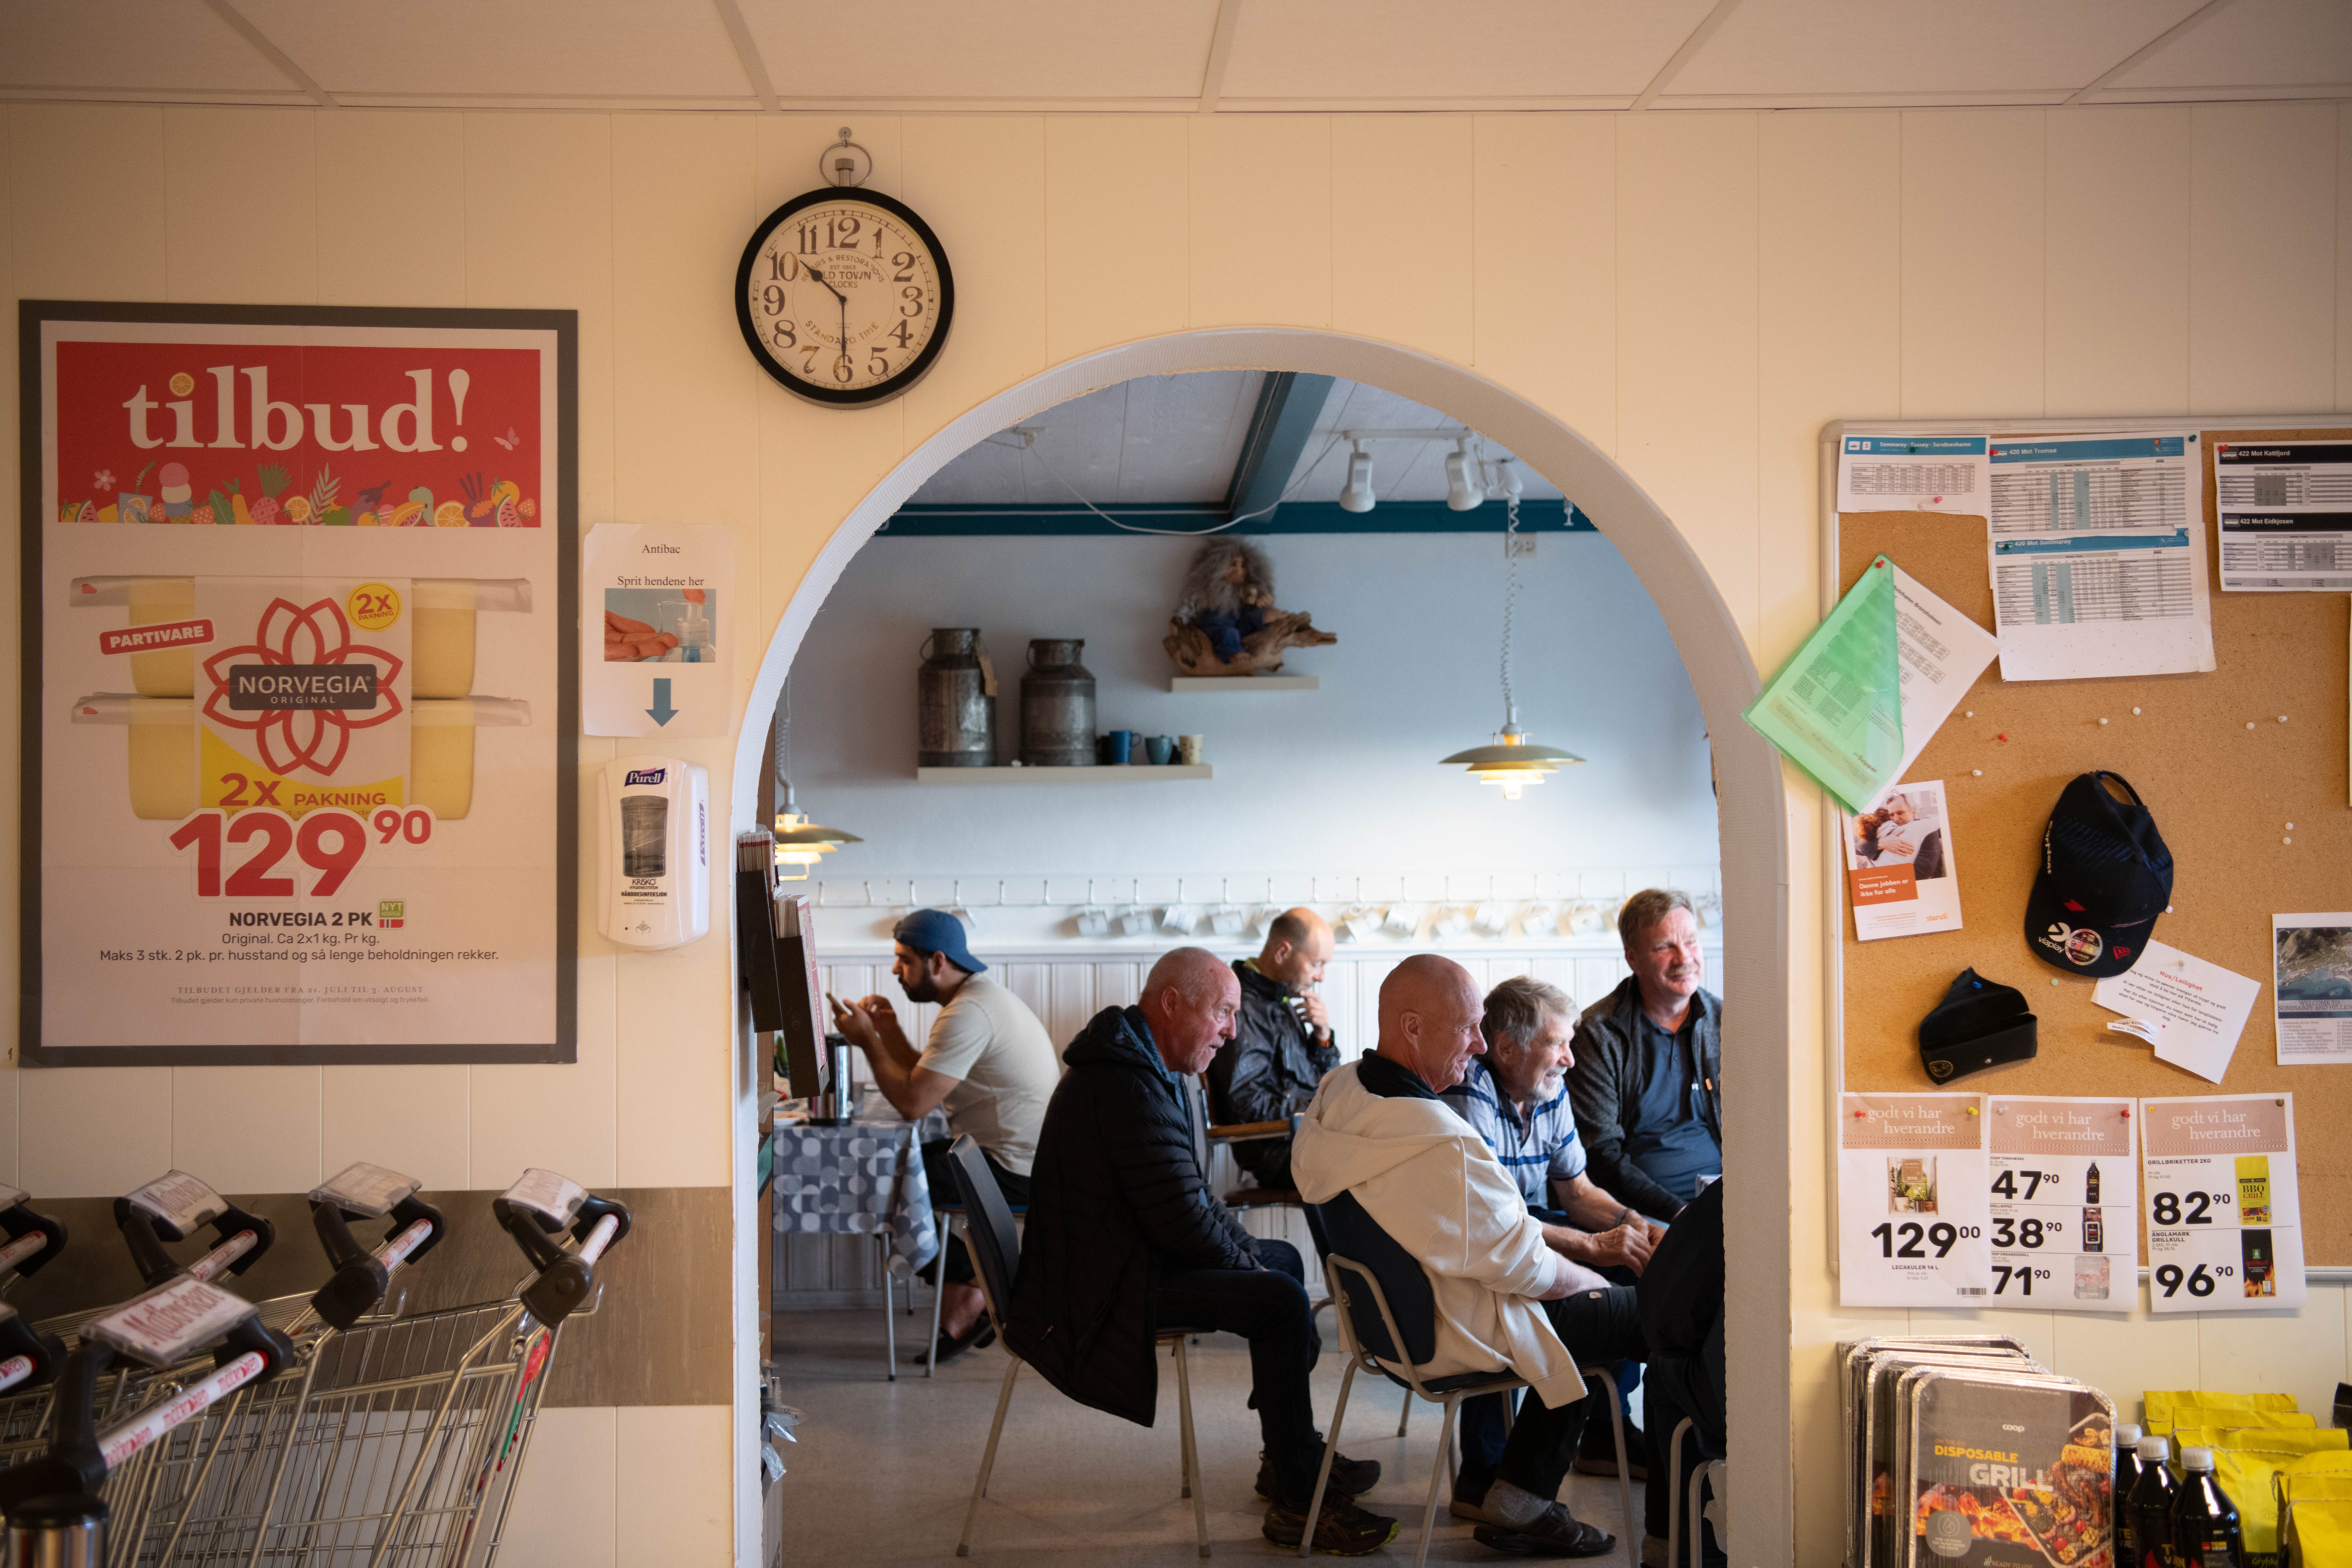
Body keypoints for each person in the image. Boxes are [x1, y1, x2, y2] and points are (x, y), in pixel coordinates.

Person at [1005, 948, 1398, 1555]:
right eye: (1222, 1011)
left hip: (1120, 1256)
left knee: (1284, 1268)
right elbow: (1184, 1222)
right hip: (1098, 1285)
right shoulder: (1125, 1081)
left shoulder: (1142, 1065)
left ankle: (1287, 1455)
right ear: (1170, 1003)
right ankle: (1300, 1500)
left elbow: (1190, 1199)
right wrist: (1252, 1266)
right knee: (1280, 1297)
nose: (1231, 1031)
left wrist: (1252, 1257)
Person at [1294, 954, 1649, 1558]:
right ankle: (1664, 1503)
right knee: (1651, 1313)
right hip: (1458, 1327)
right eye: (1467, 1027)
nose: (1481, 1044)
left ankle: (1518, 1486)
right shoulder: (1443, 1140)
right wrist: (1597, 1278)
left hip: (1391, 1323)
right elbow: (1529, 1269)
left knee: (1607, 1302)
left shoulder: (1340, 1090)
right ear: (1411, 1027)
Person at [1439, 976, 1668, 1507]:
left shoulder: (1548, 1088)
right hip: (1478, 1237)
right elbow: (1492, 1217)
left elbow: (1579, 1192)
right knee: (1504, 1292)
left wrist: (1633, 1224)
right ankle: (1483, 1468)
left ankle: (1604, 1431)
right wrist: (1590, 1247)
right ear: (1506, 1049)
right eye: (1557, 1043)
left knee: (1634, 1269)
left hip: (1529, 1219)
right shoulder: (1469, 1092)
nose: (1569, 1059)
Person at [829, 910, 1059, 1363]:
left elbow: (914, 1102)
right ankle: (971, 1283)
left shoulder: (968, 1012)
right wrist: (889, 1032)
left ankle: (977, 1284)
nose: (896, 971)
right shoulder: (979, 999)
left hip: (1015, 1171)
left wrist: (870, 1041)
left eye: (903, 960)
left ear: (937, 961)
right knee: (896, 1170)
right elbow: (926, 1077)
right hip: (1026, 1160)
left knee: (882, 1183)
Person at [1567, 889, 1723, 1224]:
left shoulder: (1728, 1022)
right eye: (1665, 946)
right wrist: (1680, 1214)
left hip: (1730, 1201)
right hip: (1642, 1213)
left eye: (1692, 942)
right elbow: (1600, 1153)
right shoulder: (1597, 1034)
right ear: (1633, 958)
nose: (1684, 957)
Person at [1206, 908, 1340, 1192]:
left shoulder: (1282, 1000)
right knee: (1381, 1164)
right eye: (1317, 963)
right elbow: (1248, 1103)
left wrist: (1323, 1037)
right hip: (1280, 1153)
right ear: (1282, 952)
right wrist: (1326, 1109)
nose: (1321, 977)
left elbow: (1321, 1080)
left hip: (1309, 1139)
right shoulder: (1241, 1006)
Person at [1638, 1178, 1726, 1568]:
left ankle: (1668, 1549)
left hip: (1748, 1404)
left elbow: (1665, 1322)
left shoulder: (1750, 1177)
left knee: (1661, 1367)